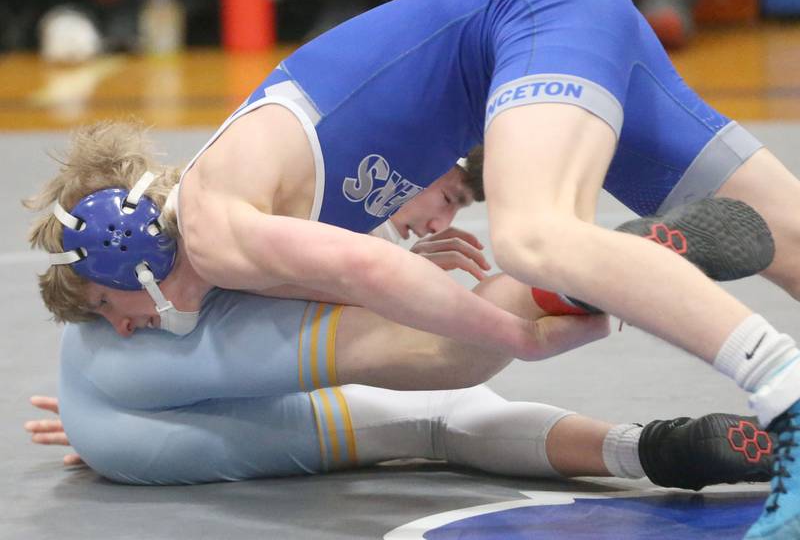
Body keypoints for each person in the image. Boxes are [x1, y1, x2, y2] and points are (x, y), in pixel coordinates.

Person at [25, 0, 800, 536]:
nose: (118, 328)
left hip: (532, 11)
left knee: (536, 237)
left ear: (130, 264)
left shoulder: (215, 232)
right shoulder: (228, 218)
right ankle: (618, 267)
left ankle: (782, 399)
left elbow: (376, 276)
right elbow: (366, 214)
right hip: (553, 22)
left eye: (101, 306)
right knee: (789, 233)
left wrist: (514, 339)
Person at [25, 285, 775, 491]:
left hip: (138, 416)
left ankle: (653, 448)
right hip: (139, 410)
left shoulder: (112, 364)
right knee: (447, 376)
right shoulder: (128, 355)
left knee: (447, 405)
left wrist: (114, 422)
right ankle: (598, 278)